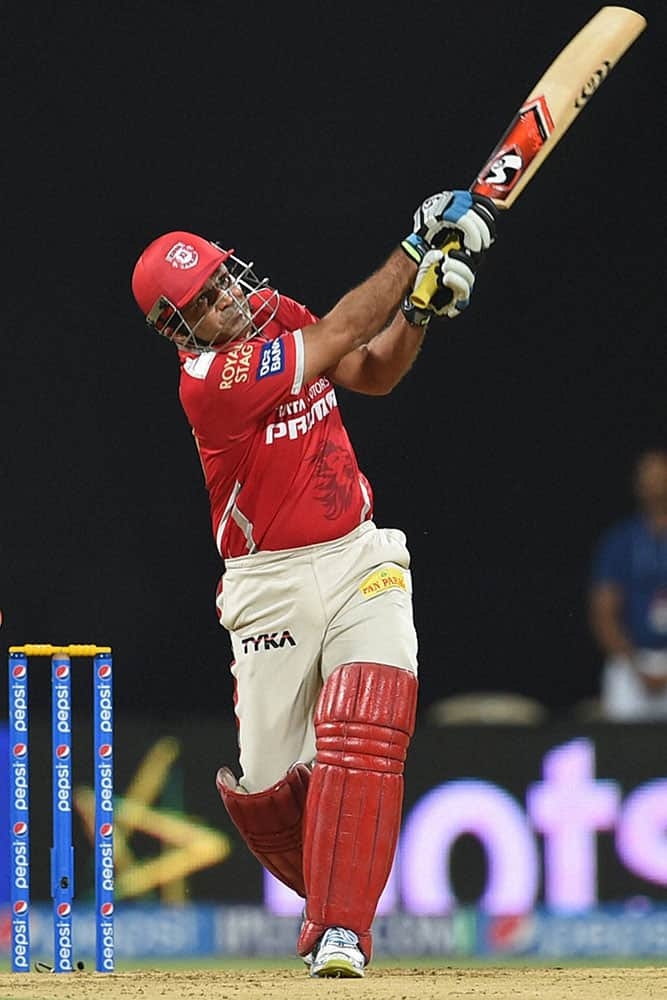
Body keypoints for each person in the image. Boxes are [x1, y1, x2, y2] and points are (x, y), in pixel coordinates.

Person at [131, 190, 497, 977]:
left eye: (226, 278)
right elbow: (339, 332)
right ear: (175, 329)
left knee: (369, 715)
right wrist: (414, 245)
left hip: (358, 555)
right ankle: (331, 891)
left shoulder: (272, 311)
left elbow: (371, 371)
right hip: (268, 584)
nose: (233, 297)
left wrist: (419, 314)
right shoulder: (209, 379)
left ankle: (340, 933)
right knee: (271, 787)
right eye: (208, 301)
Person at [589, 449, 667, 721]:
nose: (654, 483)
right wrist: (635, 665)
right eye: (648, 477)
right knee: (626, 749)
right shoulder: (621, 539)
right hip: (632, 662)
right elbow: (603, 612)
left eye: (660, 475)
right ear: (637, 485)